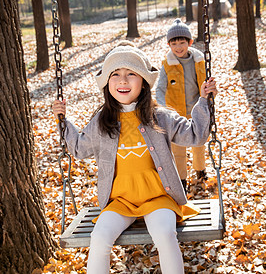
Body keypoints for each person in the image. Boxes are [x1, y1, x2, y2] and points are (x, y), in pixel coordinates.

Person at [52, 41, 217, 274]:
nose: (123, 80)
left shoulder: (158, 116)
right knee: (99, 236)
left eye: (131, 74)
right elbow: (79, 148)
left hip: (159, 197)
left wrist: (203, 101)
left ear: (144, 82)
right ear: (107, 83)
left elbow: (195, 136)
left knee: (164, 234)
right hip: (120, 201)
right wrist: (63, 121)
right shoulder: (102, 121)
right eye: (116, 74)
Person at [156, 18, 208, 193]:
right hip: (176, 114)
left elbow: (206, 83)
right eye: (174, 44)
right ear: (169, 45)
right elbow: (160, 89)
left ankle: (200, 170)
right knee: (178, 149)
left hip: (196, 111)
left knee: (198, 144)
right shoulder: (167, 64)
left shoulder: (199, 61)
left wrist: (209, 100)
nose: (178, 47)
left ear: (190, 42)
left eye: (182, 43)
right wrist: (162, 108)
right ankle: (182, 179)